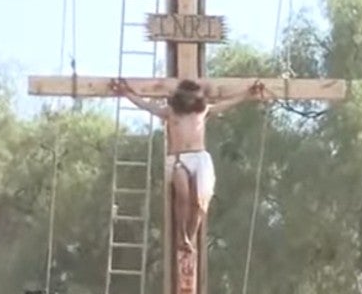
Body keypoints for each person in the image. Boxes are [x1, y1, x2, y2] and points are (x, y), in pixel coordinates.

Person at [110, 78, 264, 251]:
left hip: (199, 157)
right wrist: (127, 93)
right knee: (182, 194)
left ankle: (189, 238)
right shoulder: (171, 112)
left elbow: (227, 104)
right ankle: (181, 235)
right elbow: (146, 106)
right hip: (178, 158)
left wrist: (246, 94)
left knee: (200, 200)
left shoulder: (202, 111)